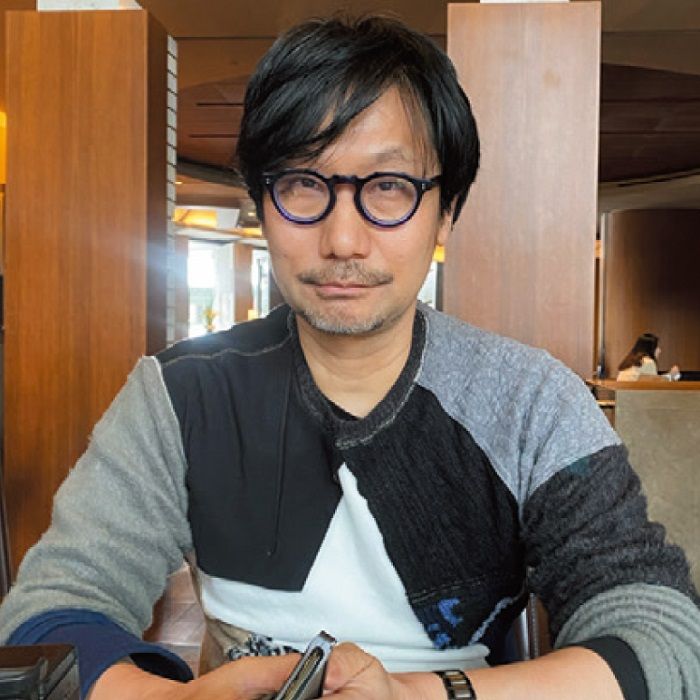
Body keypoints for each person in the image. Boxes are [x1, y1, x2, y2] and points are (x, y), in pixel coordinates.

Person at [1, 14, 699, 700]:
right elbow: (49, 616)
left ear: (446, 210)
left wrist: (417, 695)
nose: (342, 241)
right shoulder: (180, 394)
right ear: (262, 202)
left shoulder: (529, 401)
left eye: (389, 187)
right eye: (303, 183)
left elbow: (665, 639)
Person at [616, 333, 680, 381]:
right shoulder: (648, 362)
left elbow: (651, 380)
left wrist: (670, 375)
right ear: (650, 348)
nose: (659, 350)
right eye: (657, 347)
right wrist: (672, 376)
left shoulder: (629, 361)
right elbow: (654, 386)